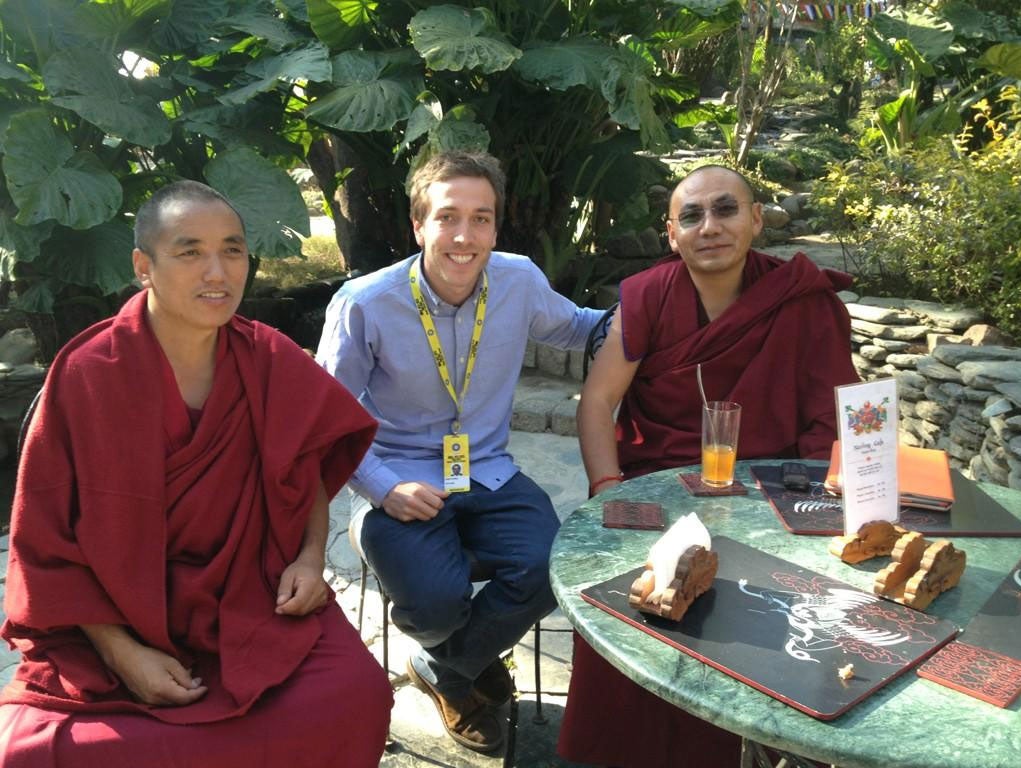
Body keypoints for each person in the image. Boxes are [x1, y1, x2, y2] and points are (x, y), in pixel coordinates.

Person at [0, 181, 393, 768]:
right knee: (33, 751)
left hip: (250, 598)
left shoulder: (269, 357)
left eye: (232, 250)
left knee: (357, 696)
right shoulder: (86, 375)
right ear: (143, 266)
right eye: (190, 251)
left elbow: (305, 465)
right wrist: (118, 652)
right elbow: (44, 538)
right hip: (120, 611)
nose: (217, 271)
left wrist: (311, 558)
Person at [558, 165, 859, 767]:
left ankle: (771, 742)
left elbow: (837, 418)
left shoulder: (801, 299)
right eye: (691, 216)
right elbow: (597, 401)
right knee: (630, 606)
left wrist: (828, 499)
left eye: (726, 210)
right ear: (672, 235)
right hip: (661, 484)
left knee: (789, 612)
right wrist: (608, 487)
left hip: (773, 491)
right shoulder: (648, 297)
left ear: (755, 219)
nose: (710, 226)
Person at [316, 150, 603, 753]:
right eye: (448, 217)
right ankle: (459, 656)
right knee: (438, 602)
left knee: (554, 565)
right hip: (399, 478)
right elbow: (326, 421)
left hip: (490, 471)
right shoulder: (364, 302)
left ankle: (447, 670)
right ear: (418, 225)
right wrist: (381, 487)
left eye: (482, 218)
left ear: (496, 227)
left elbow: (578, 326)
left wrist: (662, 305)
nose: (465, 237)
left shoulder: (519, 279)